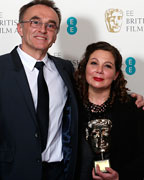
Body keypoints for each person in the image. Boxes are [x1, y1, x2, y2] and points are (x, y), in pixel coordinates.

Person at [0, 0, 78, 180]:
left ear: (56, 35)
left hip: (58, 172)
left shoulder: (66, 69)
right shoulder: (1, 68)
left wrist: (131, 99)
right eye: (35, 22)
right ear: (20, 28)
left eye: (51, 25)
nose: (43, 30)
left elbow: (92, 98)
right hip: (12, 172)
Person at [74, 41, 144, 180]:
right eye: (94, 63)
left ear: (116, 74)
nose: (99, 70)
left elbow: (141, 156)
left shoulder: (133, 107)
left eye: (107, 66)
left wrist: (120, 177)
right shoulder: (70, 105)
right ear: (84, 67)